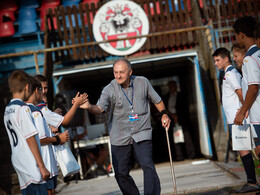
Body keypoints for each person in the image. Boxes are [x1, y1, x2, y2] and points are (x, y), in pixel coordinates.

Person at [78, 58, 171, 195]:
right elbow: (99, 108)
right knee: (120, 173)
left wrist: (164, 114)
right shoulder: (109, 89)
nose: (118, 76)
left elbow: (157, 101)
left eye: (121, 72)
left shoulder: (142, 82)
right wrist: (89, 107)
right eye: (115, 72)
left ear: (130, 72)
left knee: (147, 165)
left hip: (142, 131)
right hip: (119, 135)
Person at [213, 46, 258, 193]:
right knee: (246, 149)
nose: (216, 63)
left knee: (244, 150)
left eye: (218, 60)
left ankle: (251, 182)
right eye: (214, 61)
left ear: (226, 59)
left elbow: (240, 93)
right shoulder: (229, 73)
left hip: (237, 118)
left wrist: (242, 111)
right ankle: (251, 180)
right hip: (234, 117)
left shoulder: (230, 74)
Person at [4, 70, 50, 195]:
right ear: (27, 87)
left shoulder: (7, 110)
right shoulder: (23, 109)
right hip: (30, 162)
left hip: (18, 160)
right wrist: (42, 166)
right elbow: (30, 139)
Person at [26, 77, 70, 195]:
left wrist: (50, 124)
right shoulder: (37, 110)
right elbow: (38, 139)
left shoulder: (40, 109)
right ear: (35, 90)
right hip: (44, 161)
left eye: (46, 88)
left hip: (48, 160)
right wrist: (57, 139)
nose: (44, 91)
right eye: (41, 88)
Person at [165, 80, 196, 161]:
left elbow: (184, 108)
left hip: (182, 119)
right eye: (170, 87)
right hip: (171, 119)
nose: (172, 88)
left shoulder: (181, 95)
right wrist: (172, 116)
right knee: (175, 138)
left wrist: (177, 117)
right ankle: (179, 156)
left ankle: (191, 154)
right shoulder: (167, 97)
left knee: (187, 137)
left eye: (173, 86)